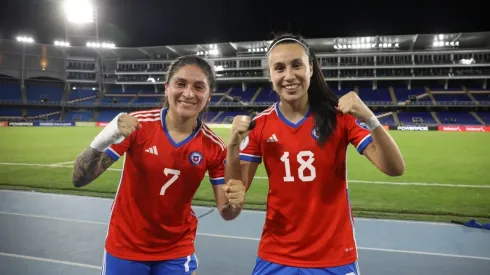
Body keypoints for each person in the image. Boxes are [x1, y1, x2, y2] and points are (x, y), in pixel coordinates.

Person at [225, 34, 405, 274]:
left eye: (296, 65)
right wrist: (233, 147)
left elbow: (395, 168)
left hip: (333, 256)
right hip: (277, 255)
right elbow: (236, 192)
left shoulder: (339, 117)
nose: (289, 76)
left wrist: (370, 119)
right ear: (271, 75)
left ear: (310, 68)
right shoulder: (260, 125)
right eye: (279, 68)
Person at [71, 55, 246, 275]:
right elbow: (79, 179)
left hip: (176, 249)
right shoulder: (138, 126)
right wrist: (105, 137)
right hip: (126, 245)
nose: (189, 93)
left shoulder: (214, 147)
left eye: (199, 87)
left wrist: (236, 203)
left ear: (209, 95)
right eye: (180, 84)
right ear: (167, 88)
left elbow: (227, 212)